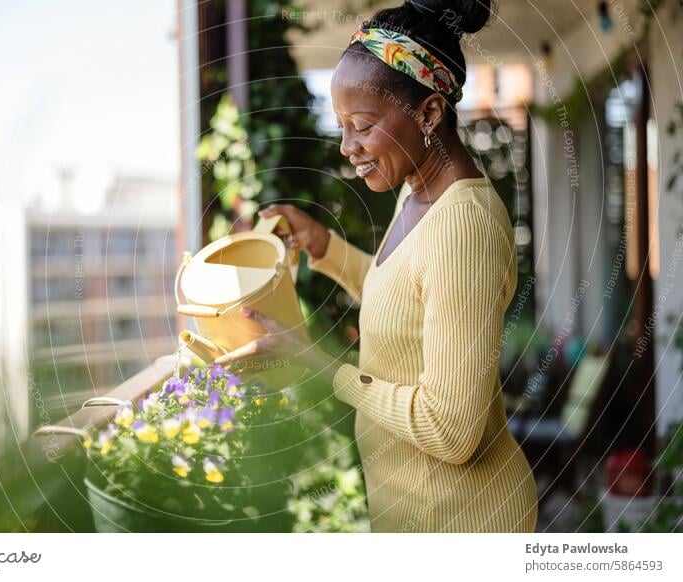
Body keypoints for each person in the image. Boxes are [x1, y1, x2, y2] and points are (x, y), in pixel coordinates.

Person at [215, 0, 538, 533]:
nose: (348, 148)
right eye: (342, 126)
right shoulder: (419, 193)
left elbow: (452, 431)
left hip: (463, 523)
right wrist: (324, 247)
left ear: (429, 113)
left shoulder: (463, 226)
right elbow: (405, 300)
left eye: (362, 126)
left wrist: (323, 367)